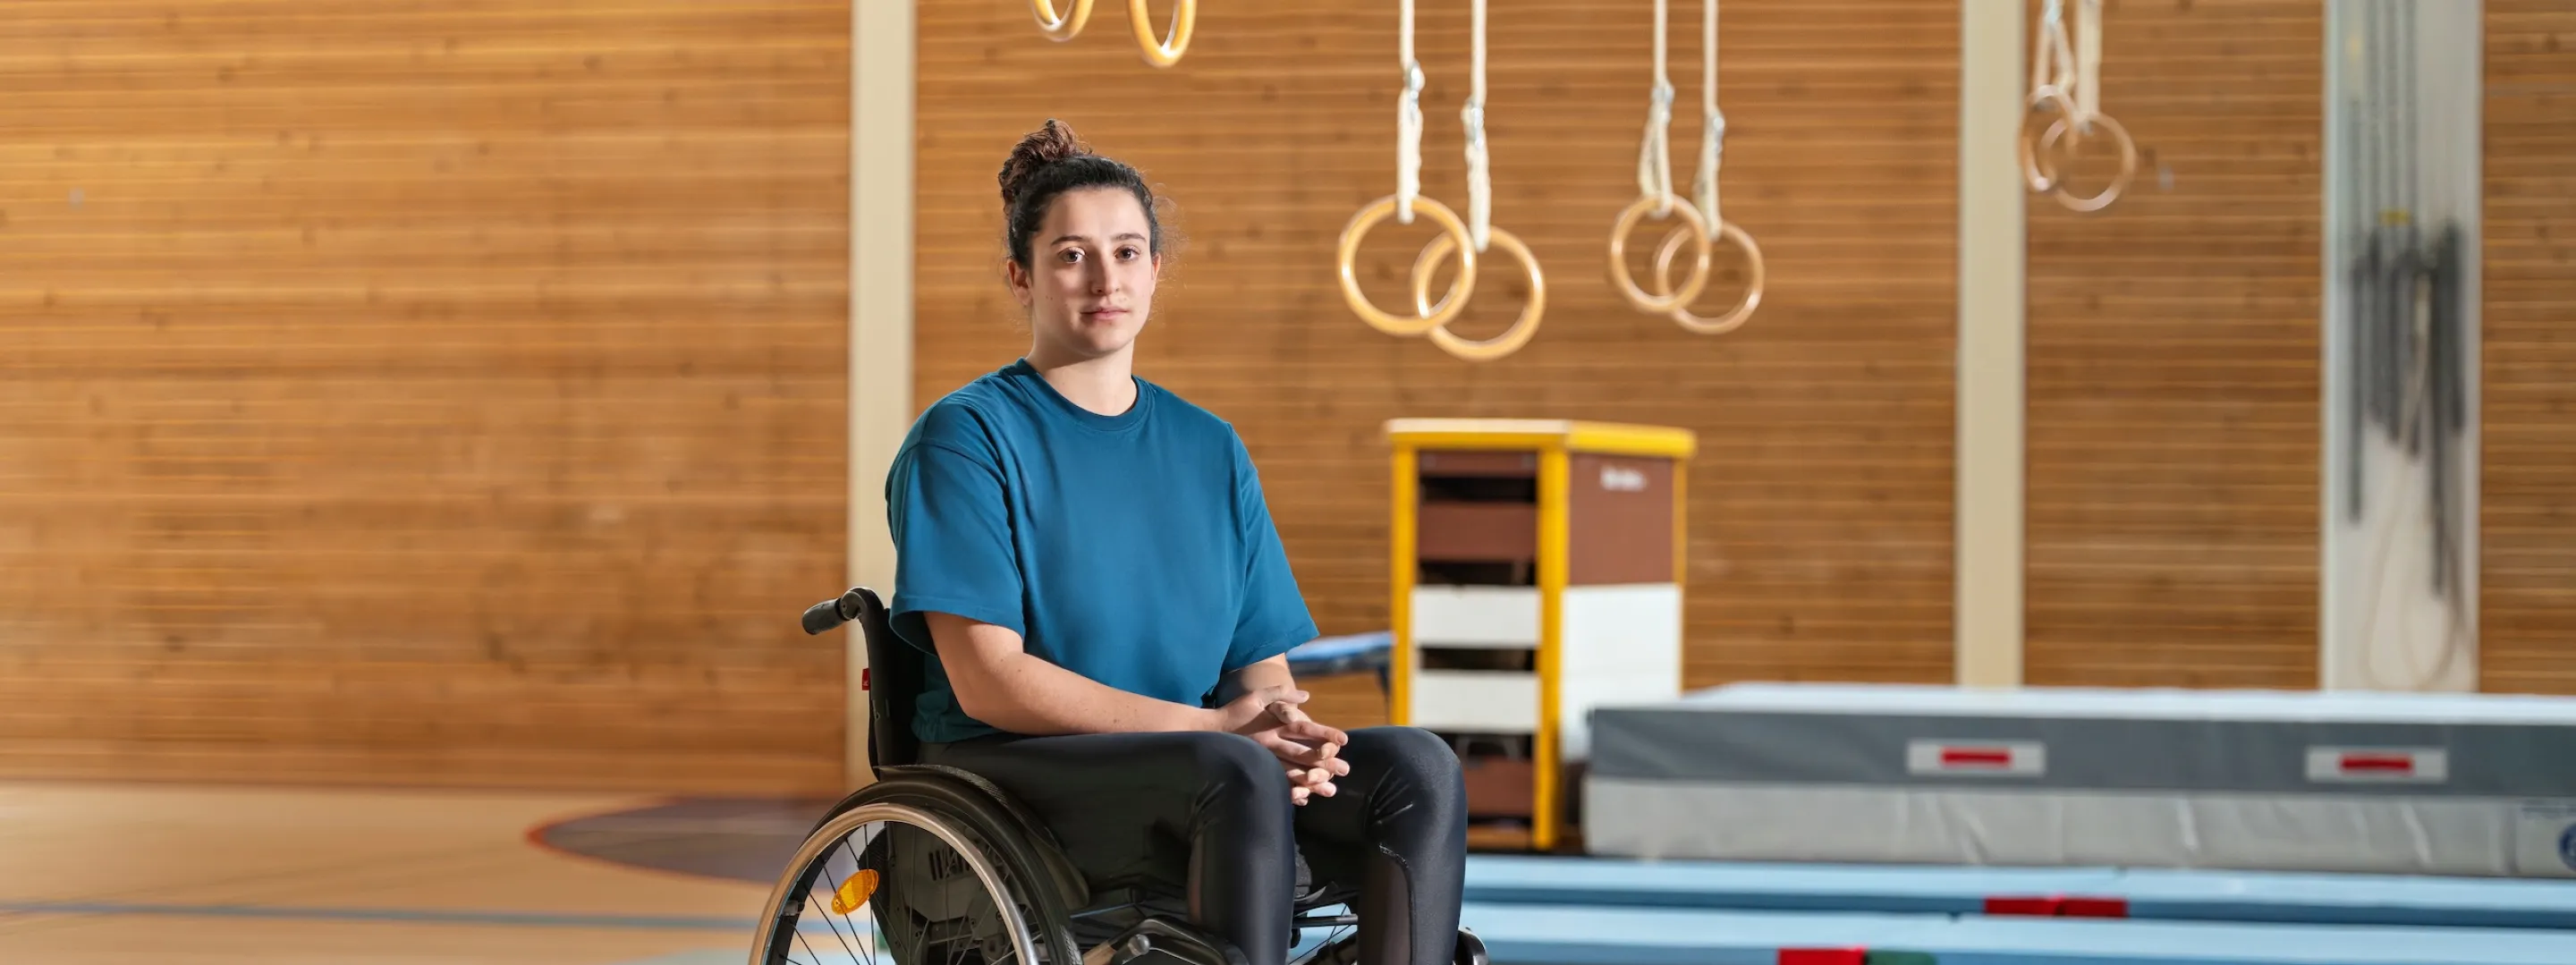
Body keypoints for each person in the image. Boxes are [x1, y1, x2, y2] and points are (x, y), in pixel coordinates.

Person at [881, 117, 1468, 965]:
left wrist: (1282, 728)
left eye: (1125, 252)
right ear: (1022, 277)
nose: (1103, 278)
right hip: (1017, 767)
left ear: (1155, 271)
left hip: (1202, 758)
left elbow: (1259, 660)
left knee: (1417, 765)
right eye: (1071, 254)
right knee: (1230, 773)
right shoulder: (965, 438)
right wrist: (1217, 730)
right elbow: (990, 680)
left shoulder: (1209, 447)